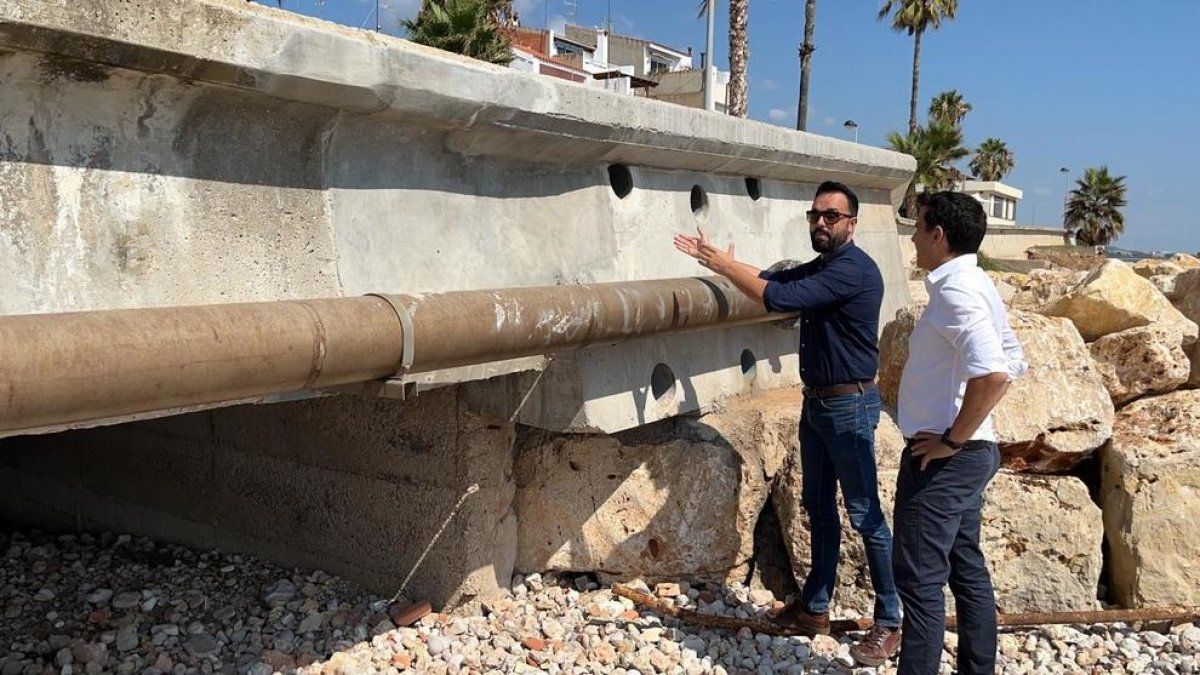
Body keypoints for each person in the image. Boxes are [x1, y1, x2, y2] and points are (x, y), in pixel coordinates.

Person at [674, 181, 902, 665]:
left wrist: (726, 267)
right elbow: (779, 281)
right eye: (815, 215)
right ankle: (815, 608)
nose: (821, 222)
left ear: (852, 224)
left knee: (865, 514)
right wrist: (724, 260)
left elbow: (776, 298)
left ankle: (890, 620)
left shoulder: (853, 271)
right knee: (817, 507)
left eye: (831, 217)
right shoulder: (826, 266)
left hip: (850, 406)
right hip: (819, 404)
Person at [893, 191, 1028, 675]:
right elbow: (1013, 361)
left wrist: (952, 438)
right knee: (965, 567)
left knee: (919, 578)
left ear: (938, 235)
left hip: (946, 458)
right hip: (970, 451)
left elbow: (993, 372)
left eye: (918, 225)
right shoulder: (974, 282)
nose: (911, 236)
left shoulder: (956, 290)